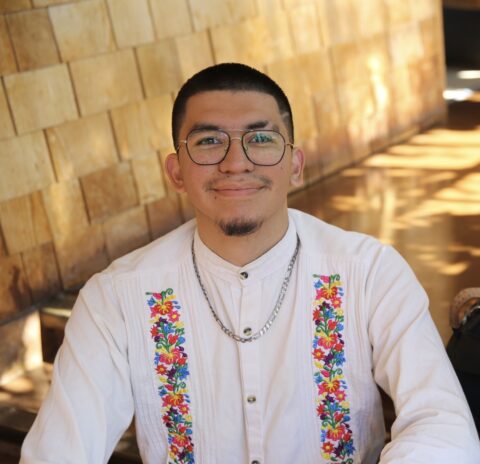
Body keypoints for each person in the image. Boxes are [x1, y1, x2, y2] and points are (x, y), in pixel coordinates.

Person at [21, 63, 480, 463]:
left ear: (295, 164)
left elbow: (441, 422)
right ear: (177, 171)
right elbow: (59, 451)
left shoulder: (369, 273)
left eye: (261, 139)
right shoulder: (116, 299)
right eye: (208, 141)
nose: (236, 162)